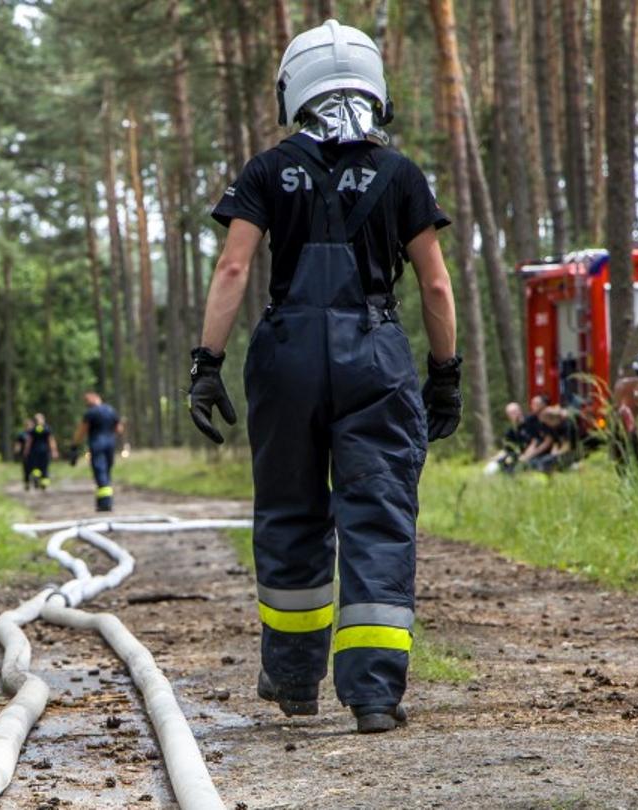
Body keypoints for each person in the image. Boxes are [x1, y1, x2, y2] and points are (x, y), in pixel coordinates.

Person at [185, 19, 462, 734]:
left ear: (295, 89)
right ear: (375, 89)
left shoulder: (267, 168)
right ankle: (372, 696)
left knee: (290, 512)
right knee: (378, 519)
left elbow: (235, 268)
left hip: (286, 355)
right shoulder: (400, 174)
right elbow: (434, 286)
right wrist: (444, 373)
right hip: (375, 352)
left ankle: (295, 680)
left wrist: (207, 364)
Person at [75, 392, 123, 511]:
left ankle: (105, 502)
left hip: (97, 444)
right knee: (107, 470)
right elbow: (119, 429)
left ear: (94, 398)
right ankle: (103, 501)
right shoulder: (111, 410)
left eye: (87, 400)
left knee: (100, 471)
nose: (86, 403)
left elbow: (82, 430)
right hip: (110, 444)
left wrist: (74, 445)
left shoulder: (90, 413)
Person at [25, 413, 57, 491]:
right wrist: (54, 451)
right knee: (44, 467)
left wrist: (26, 451)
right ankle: (44, 483)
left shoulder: (33, 429)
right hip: (44, 451)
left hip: (35, 451)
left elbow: (29, 441)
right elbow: (51, 440)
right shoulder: (47, 429)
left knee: (36, 467)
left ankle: (37, 478)